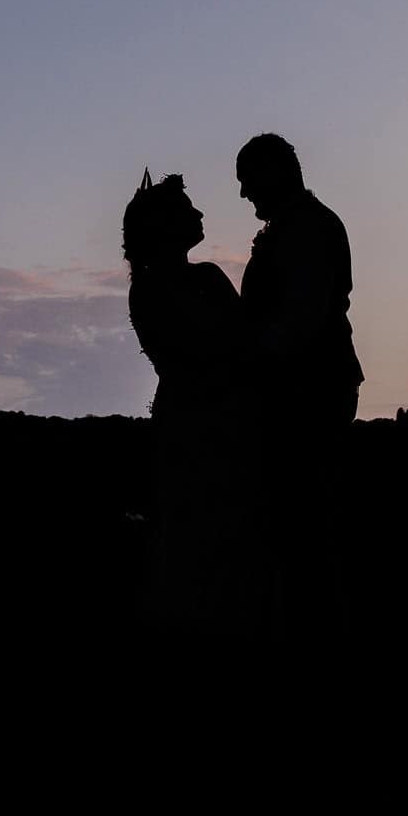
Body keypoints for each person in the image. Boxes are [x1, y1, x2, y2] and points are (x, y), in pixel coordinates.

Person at [122, 169, 266, 645]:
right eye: (187, 209)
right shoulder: (196, 280)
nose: (200, 213)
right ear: (164, 225)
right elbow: (243, 347)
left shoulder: (146, 288)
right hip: (213, 430)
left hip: (186, 425)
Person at [235, 133, 364, 649]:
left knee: (307, 530)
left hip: (308, 392)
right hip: (300, 389)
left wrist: (245, 366)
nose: (244, 194)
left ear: (276, 171)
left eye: (247, 180)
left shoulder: (310, 229)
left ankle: (321, 645)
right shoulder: (296, 227)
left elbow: (301, 324)